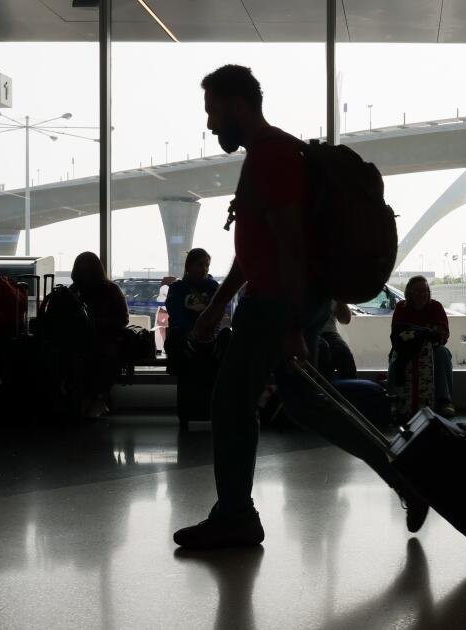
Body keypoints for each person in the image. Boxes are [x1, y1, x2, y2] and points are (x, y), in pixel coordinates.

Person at [173, 64, 428, 549]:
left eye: (213, 111)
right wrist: (215, 308)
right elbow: (255, 251)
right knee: (307, 403)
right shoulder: (272, 155)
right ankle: (404, 477)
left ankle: (235, 515)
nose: (210, 124)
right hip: (288, 298)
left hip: (275, 303)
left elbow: (289, 246)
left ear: (238, 104)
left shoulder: (272, 158)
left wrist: (289, 322)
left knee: (229, 403)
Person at [164, 249, 220, 427]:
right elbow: (177, 314)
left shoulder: (213, 287)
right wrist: (195, 332)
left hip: (201, 337)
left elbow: (219, 314)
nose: (204, 269)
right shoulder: (177, 289)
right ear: (189, 266)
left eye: (207, 265)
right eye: (200, 264)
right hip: (189, 337)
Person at [69, 251, 129, 419]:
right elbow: (123, 318)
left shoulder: (74, 292)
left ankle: (88, 399)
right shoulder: (111, 289)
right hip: (102, 341)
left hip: (94, 341)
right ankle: (97, 399)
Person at [389, 276, 455, 418]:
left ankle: (444, 401)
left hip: (431, 348)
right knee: (395, 355)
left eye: (424, 291)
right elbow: (395, 334)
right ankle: (393, 399)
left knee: (442, 353)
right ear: (409, 293)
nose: (421, 294)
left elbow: (444, 334)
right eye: (417, 291)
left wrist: (429, 340)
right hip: (406, 348)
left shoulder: (436, 307)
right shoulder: (401, 307)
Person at [319, 300, 357, 380]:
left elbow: (346, 320)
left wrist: (340, 299)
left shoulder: (334, 293)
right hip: (307, 332)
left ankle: (350, 387)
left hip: (329, 333)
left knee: (342, 352)